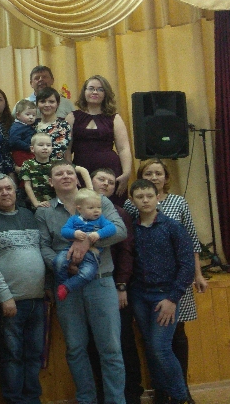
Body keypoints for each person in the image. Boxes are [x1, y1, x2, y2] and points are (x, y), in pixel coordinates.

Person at [35, 161, 128, 404]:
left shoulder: (99, 201)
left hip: (101, 282)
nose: (66, 176)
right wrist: (64, 265)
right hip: (66, 285)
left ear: (77, 179)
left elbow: (120, 230)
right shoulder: (44, 211)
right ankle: (86, 399)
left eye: (70, 172)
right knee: (75, 348)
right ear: (51, 182)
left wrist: (88, 242)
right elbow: (43, 246)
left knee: (111, 349)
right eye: (59, 174)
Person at [122, 158, 208, 403]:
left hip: (166, 294)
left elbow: (186, 263)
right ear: (133, 200)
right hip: (140, 294)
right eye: (140, 197)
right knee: (151, 347)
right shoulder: (132, 226)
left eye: (149, 196)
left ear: (157, 197)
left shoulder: (173, 226)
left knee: (162, 347)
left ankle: (181, 396)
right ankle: (162, 394)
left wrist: (172, 298)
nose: (145, 200)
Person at [0, 174, 46, 404]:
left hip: (38, 299)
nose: (5, 193)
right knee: (12, 356)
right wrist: (4, 295)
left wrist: (47, 287)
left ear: (15, 191)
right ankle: (14, 400)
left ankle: (32, 399)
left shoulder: (29, 215)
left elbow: (42, 251)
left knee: (35, 355)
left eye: (8, 188)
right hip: (10, 302)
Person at [88, 168, 142, 404]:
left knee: (123, 342)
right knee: (93, 344)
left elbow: (126, 252)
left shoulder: (119, 214)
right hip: (88, 286)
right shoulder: (77, 211)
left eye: (111, 182)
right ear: (90, 181)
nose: (106, 184)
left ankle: (131, 394)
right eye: (101, 179)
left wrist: (121, 285)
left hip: (116, 286)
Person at [66, 75, 132, 204]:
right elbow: (67, 150)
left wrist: (127, 173)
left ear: (105, 93)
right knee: (84, 205)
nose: (95, 92)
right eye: (91, 88)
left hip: (110, 170)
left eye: (100, 89)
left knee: (112, 206)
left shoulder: (114, 118)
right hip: (81, 170)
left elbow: (124, 148)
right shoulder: (72, 117)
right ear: (84, 92)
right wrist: (70, 171)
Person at [54, 188, 117, 301]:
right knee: (58, 261)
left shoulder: (100, 220)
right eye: (91, 208)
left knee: (88, 274)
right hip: (71, 250)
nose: (96, 211)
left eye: (99, 207)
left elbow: (112, 228)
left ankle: (67, 287)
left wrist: (99, 234)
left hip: (91, 254)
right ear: (79, 209)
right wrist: (74, 233)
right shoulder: (74, 219)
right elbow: (64, 231)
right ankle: (62, 284)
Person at [21, 133, 91, 210]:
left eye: (48, 145)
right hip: (39, 204)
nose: (45, 148)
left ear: (52, 148)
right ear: (32, 149)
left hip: (58, 203)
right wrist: (36, 203)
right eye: (41, 145)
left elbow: (83, 170)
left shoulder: (57, 163)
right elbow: (27, 186)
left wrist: (91, 192)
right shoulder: (28, 164)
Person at [35, 87, 71, 161]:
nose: (47, 105)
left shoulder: (64, 126)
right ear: (37, 104)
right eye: (42, 101)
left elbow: (67, 153)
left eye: (51, 102)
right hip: (33, 167)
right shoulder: (31, 125)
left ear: (58, 104)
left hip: (59, 167)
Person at [8, 99, 37, 170]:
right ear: (18, 115)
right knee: (26, 171)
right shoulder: (17, 127)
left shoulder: (27, 125)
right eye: (28, 114)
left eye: (33, 115)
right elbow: (14, 141)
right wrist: (28, 147)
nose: (31, 117)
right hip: (21, 153)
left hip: (29, 152)